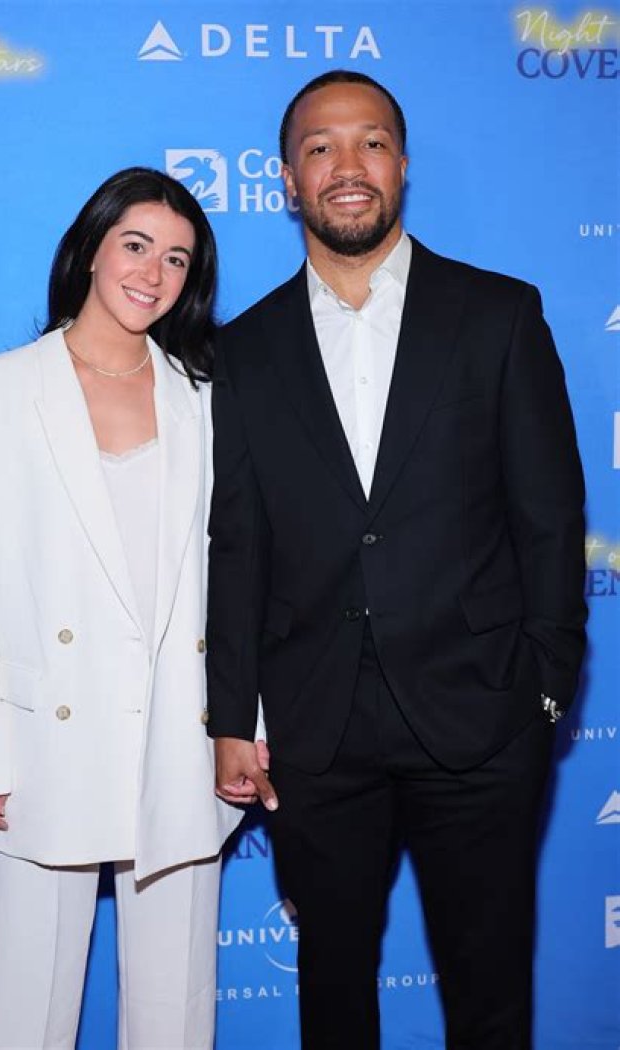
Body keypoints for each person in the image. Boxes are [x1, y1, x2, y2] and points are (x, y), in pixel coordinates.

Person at [206, 71, 587, 1050]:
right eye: (320, 147)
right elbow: (238, 546)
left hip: (482, 716)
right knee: (333, 998)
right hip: (317, 729)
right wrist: (233, 715)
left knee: (490, 995)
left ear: (403, 165)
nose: (348, 166)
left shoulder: (498, 315)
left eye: (370, 142)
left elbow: (550, 517)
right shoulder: (242, 352)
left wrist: (544, 688)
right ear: (286, 178)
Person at [0, 167, 246, 1050]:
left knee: (175, 1009)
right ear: (90, 249)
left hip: (182, 731)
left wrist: (247, 723)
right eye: (136, 245)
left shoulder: (210, 397)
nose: (154, 273)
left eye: (178, 259)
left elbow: (240, 575)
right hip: (45, 735)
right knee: (24, 1009)